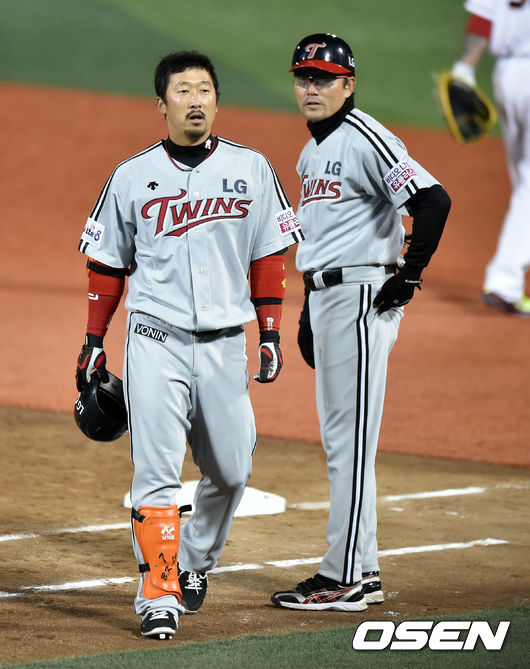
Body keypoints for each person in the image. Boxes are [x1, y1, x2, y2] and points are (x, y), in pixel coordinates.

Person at [75, 50, 304, 639]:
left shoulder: (252, 168)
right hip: (155, 341)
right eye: (183, 90)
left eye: (204, 90)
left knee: (231, 471)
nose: (195, 100)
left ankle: (194, 561)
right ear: (163, 104)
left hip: (226, 345)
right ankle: (158, 595)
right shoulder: (131, 176)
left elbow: (268, 255)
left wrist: (270, 330)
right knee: (155, 474)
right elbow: (107, 263)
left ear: (217, 101)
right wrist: (94, 340)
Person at [271, 34, 451, 611]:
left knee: (348, 443)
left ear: (348, 85)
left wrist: (410, 274)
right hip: (330, 297)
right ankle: (362, 571)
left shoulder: (365, 137)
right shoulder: (312, 151)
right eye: (304, 77)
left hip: (362, 296)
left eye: (324, 78)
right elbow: (323, 237)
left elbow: (433, 200)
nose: (312, 87)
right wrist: (307, 306)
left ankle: (342, 576)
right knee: (342, 440)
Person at [451, 0, 530, 317]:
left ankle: (507, 278)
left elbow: (483, 16)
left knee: (524, 180)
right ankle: (505, 281)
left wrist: (465, 66)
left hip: (507, 76)